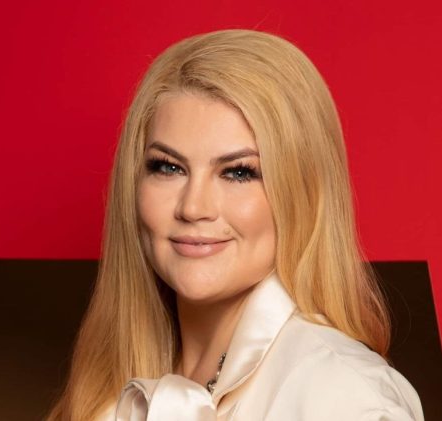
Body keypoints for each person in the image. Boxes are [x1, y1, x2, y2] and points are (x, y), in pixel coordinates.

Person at [47, 29, 424, 420]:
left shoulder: (348, 399)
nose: (193, 207)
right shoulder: (110, 390)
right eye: (169, 167)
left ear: (303, 194)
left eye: (239, 172)